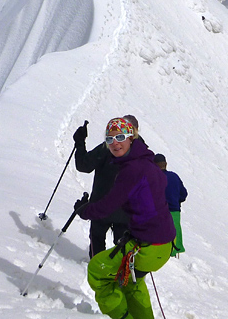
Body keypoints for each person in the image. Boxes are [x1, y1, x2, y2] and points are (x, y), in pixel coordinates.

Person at [75, 117, 176, 319]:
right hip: (162, 244)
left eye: (120, 137)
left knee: (96, 269)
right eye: (109, 139)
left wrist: (83, 210)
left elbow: (107, 205)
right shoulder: (147, 161)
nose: (115, 143)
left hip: (147, 245)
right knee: (131, 281)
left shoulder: (132, 169)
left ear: (132, 137)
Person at [73, 114, 140, 258]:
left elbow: (84, 165)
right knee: (123, 249)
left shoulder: (108, 147)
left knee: (97, 243)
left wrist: (80, 143)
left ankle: (97, 267)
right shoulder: (142, 153)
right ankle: (119, 269)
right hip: (127, 210)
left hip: (101, 205)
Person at [154, 153, 188, 257]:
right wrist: (176, 201)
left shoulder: (154, 177)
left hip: (159, 211)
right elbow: (183, 194)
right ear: (165, 164)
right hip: (175, 210)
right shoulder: (174, 176)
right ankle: (175, 251)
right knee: (175, 230)